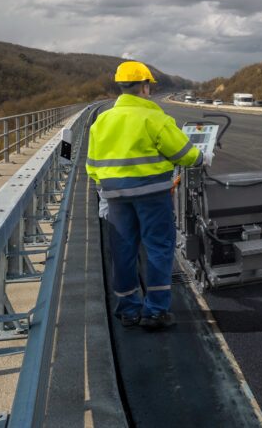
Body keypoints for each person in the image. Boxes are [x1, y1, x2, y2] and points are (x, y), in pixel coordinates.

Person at [85, 61, 205, 330]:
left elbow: (92, 166)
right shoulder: (155, 118)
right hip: (152, 196)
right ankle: (155, 311)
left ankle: (128, 310)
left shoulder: (102, 121)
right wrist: (200, 158)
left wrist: (109, 189)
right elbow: (185, 155)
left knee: (123, 251)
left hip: (115, 197)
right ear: (144, 86)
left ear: (121, 87)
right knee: (158, 249)